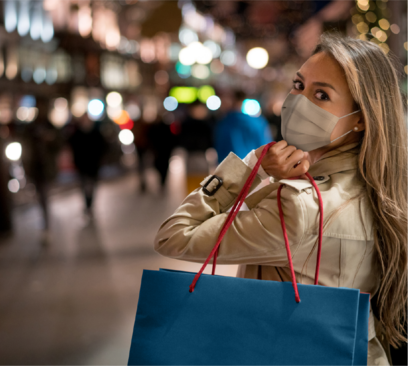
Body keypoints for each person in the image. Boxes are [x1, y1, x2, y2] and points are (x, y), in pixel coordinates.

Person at [154, 33, 408, 365]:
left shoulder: (300, 206)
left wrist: (250, 166)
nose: (299, 101)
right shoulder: (382, 185)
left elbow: (173, 235)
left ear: (360, 118)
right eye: (299, 85)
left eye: (321, 95)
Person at [22, 100, 63, 231]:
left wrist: (50, 140)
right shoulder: (31, 128)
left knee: (44, 195)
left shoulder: (50, 126)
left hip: (47, 168)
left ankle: (47, 224)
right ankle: (46, 221)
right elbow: (26, 147)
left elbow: (59, 145)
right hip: (36, 167)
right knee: (41, 195)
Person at [68, 114, 108, 220]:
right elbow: (73, 147)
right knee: (84, 185)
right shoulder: (77, 133)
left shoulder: (96, 132)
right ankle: (87, 204)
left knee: (93, 185)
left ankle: (90, 203)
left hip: (93, 165)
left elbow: (102, 146)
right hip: (82, 165)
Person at [214, 90, 273, 162]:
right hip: (253, 166)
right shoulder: (258, 122)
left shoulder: (224, 122)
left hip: (228, 165)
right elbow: (265, 145)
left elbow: (220, 146)